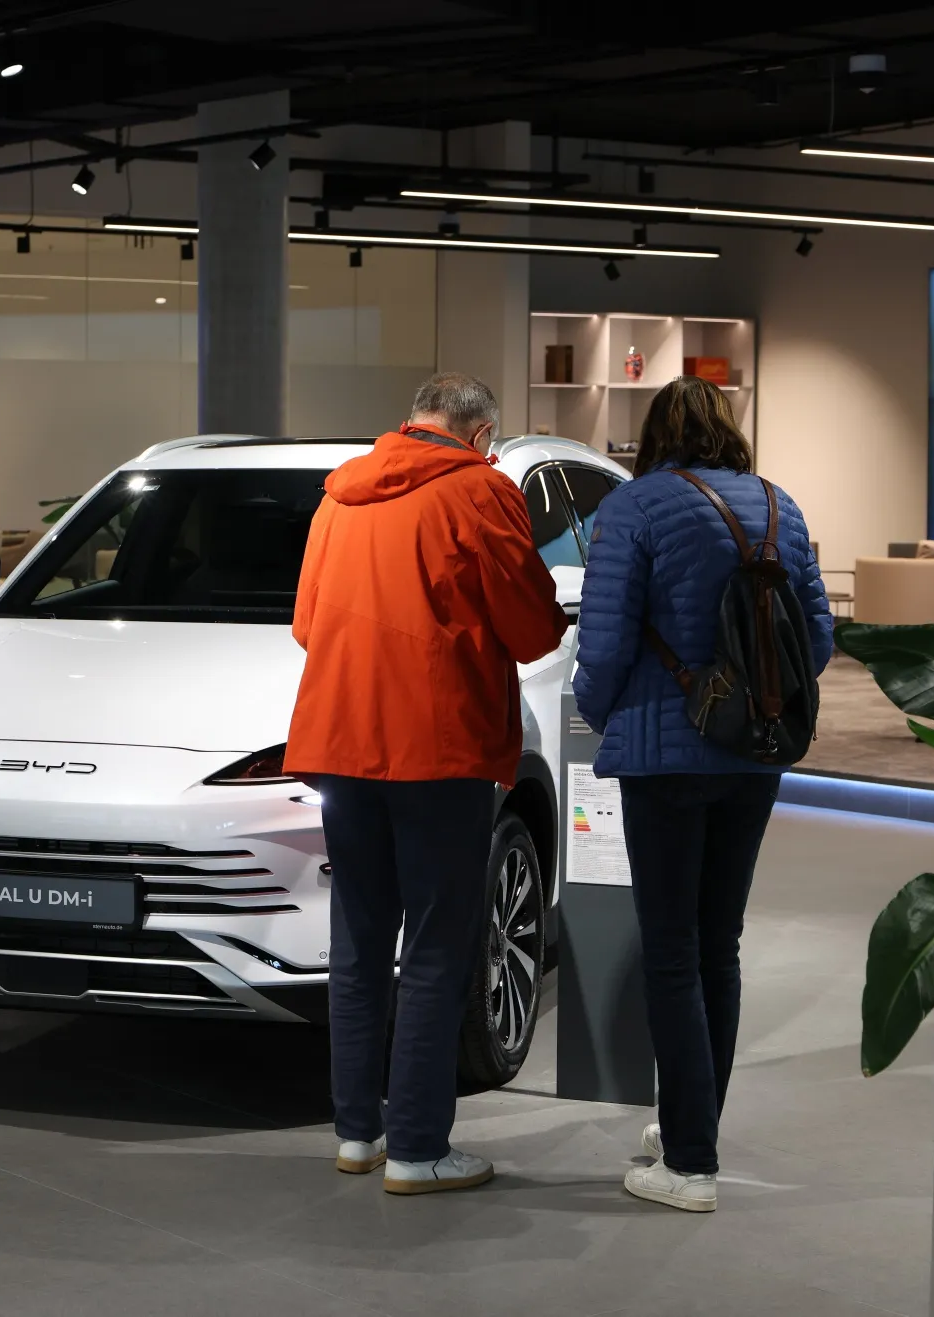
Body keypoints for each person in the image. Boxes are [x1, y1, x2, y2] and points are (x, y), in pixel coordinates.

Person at [288, 372, 570, 1195]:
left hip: (341, 744)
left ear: (412, 420)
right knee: (442, 943)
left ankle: (357, 1134)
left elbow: (307, 623)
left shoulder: (340, 498)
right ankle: (417, 1147)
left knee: (359, 941)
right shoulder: (479, 493)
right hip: (440, 749)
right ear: (481, 435)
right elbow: (529, 626)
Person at [572, 375, 832, 1213]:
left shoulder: (635, 509)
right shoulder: (778, 506)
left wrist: (601, 711)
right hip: (753, 753)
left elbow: (605, 643)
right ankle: (694, 1123)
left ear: (657, 432)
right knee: (719, 946)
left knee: (673, 951)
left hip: (662, 753)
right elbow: (818, 640)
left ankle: (688, 1162)